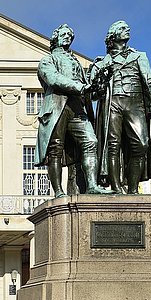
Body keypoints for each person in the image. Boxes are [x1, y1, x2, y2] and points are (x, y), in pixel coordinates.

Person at [90, 20, 151, 194]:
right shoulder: (100, 63)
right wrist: (101, 77)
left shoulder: (139, 56)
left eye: (126, 27)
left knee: (141, 145)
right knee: (113, 145)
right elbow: (93, 94)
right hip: (112, 103)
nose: (127, 29)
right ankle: (117, 188)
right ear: (112, 36)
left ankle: (134, 189)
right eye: (121, 28)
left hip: (135, 104)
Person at [35, 24, 109, 197]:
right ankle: (58, 192)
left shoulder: (76, 61)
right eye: (64, 34)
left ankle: (91, 185)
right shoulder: (47, 60)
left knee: (91, 141)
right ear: (56, 37)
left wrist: (96, 88)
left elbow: (87, 90)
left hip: (77, 106)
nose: (68, 37)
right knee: (56, 149)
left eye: (70, 35)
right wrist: (81, 87)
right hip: (57, 106)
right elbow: (54, 79)